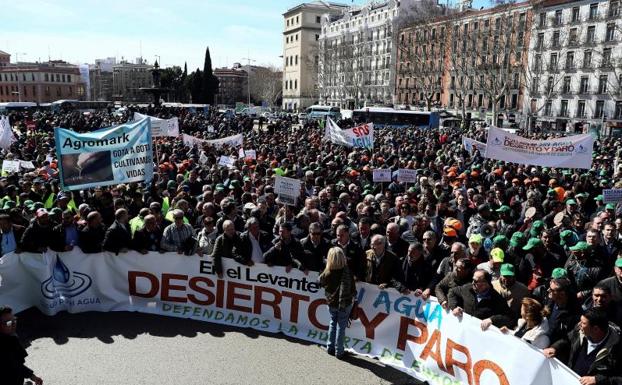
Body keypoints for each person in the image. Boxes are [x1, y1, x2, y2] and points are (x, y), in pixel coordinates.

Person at [544, 309, 622, 385]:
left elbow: (619, 379)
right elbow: (567, 340)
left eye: (583, 323)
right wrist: (555, 348)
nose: (579, 324)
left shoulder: (617, 348)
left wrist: (597, 380)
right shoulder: (579, 330)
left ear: (595, 329)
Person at [318, 247, 356, 359]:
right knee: (341, 327)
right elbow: (352, 289)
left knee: (333, 323)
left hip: (331, 303)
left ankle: (330, 348)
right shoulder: (347, 272)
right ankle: (339, 351)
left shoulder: (327, 272)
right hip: (345, 303)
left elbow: (319, 282)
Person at [448, 269, 516, 330]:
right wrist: (454, 307)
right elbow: (452, 292)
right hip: (463, 331)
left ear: (485, 283)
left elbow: (510, 317)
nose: (472, 283)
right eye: (473, 280)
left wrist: (492, 320)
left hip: (480, 336)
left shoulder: (497, 299)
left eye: (475, 281)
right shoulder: (467, 288)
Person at [0, 305, 44, 385]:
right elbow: (16, 366)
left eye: (14, 319)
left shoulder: (10, 336)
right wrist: (33, 376)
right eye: (9, 322)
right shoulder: (6, 345)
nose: (13, 324)